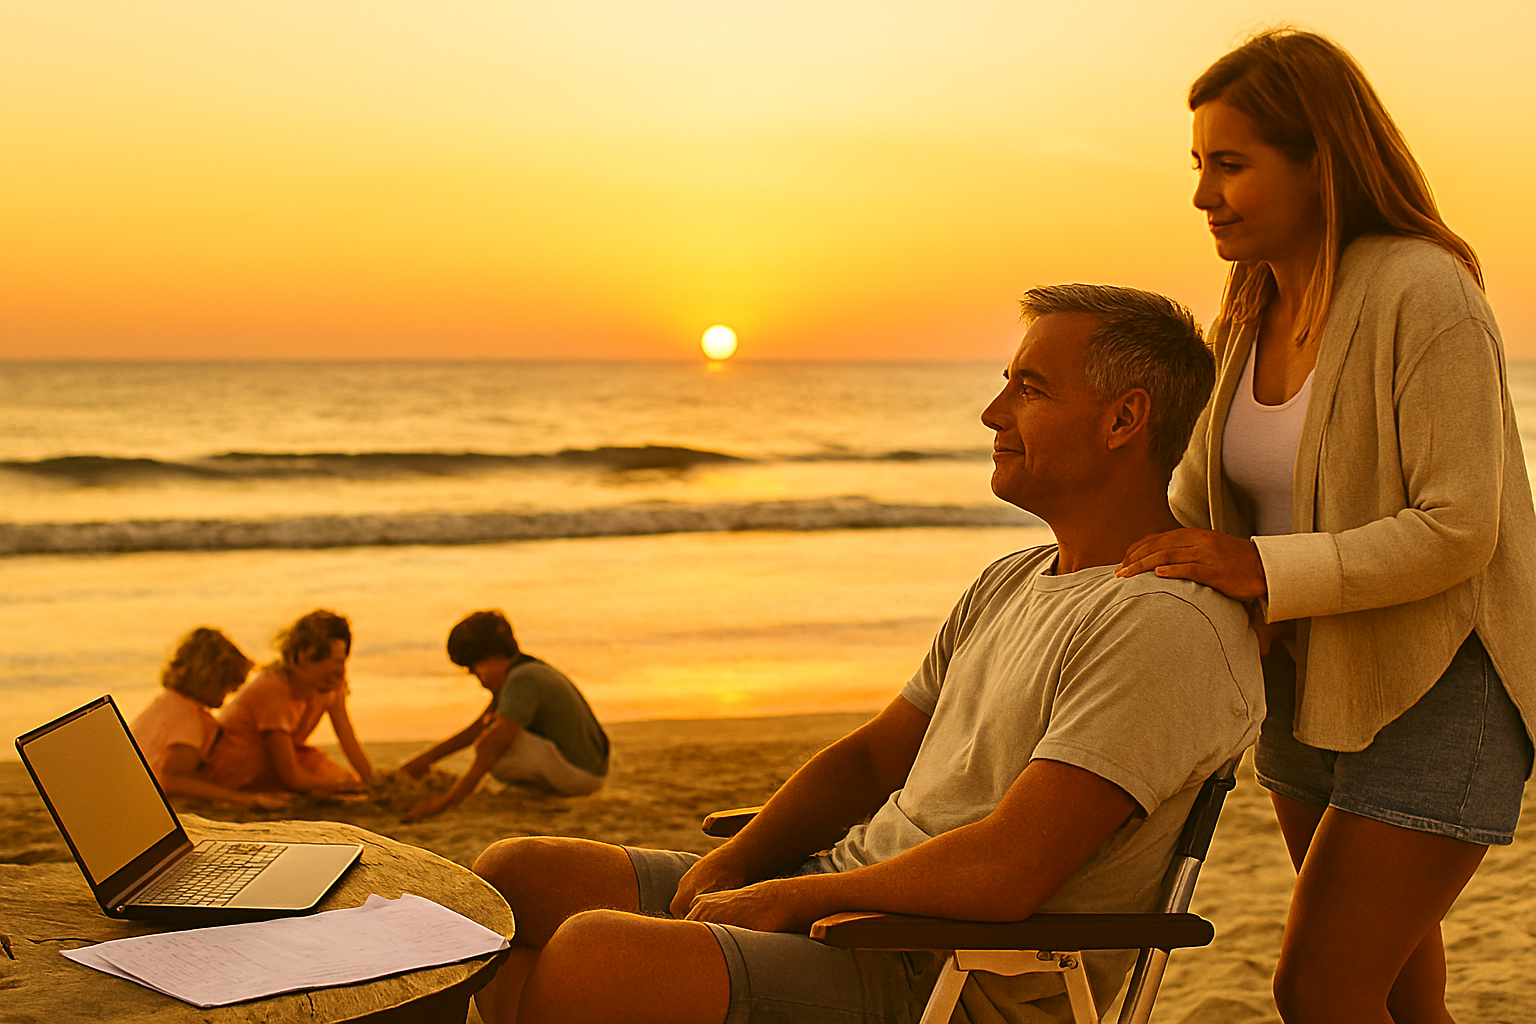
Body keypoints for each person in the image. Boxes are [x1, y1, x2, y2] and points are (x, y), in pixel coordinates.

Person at [466, 284, 1266, 1024]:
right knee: (515, 878)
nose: (992, 412)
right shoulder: (1013, 580)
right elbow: (870, 760)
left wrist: (799, 899)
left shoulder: (1162, 624)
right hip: (855, 902)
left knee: (593, 958)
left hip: (942, 969)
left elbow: (1010, 868)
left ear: (1123, 420)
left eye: (1029, 388)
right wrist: (741, 863)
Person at [1116, 29, 1536, 1024]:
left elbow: (1458, 527)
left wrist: (1259, 570)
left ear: (1321, 164)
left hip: (1444, 680)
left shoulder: (1421, 290)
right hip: (1307, 686)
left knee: (1319, 988)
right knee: (1397, 993)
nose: (1203, 194)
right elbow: (1204, 503)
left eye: (1231, 164)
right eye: (1198, 166)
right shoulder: (1249, 305)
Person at [398, 610, 609, 821]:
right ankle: (543, 789)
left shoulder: (522, 679)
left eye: (475, 669)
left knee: (492, 737)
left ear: (490, 656)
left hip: (580, 776)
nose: (479, 680)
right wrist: (417, 765)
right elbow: (472, 731)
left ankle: (549, 790)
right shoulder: (525, 669)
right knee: (488, 729)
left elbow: (494, 745)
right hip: (588, 769)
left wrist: (444, 803)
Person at [201, 609, 374, 794]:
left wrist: (371, 782)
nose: (341, 671)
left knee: (337, 776)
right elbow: (291, 775)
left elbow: (347, 737)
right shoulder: (275, 688)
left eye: (342, 662)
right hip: (237, 768)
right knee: (331, 781)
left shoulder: (329, 685)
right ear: (304, 656)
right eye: (333, 663)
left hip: (277, 760)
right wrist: (340, 789)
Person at [129, 627, 286, 809]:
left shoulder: (167, 703)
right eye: (227, 686)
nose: (230, 694)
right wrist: (243, 799)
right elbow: (173, 780)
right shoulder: (187, 719)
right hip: (145, 802)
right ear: (210, 679)